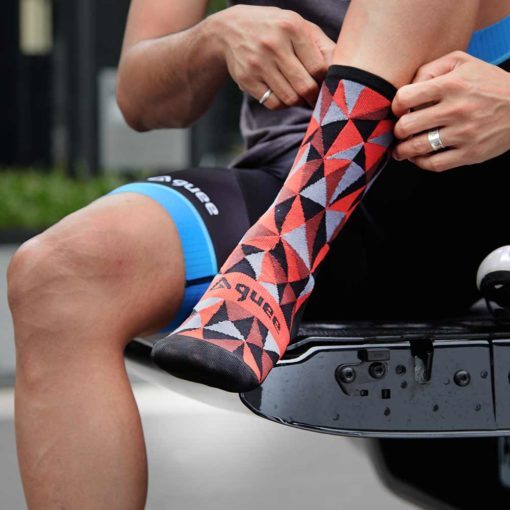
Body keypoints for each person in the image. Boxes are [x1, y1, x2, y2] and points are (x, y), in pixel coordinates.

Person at [7, 0, 510, 507]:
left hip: (471, 168)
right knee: (59, 276)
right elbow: (139, 97)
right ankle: (282, 252)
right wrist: (215, 37)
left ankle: (285, 251)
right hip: (294, 186)